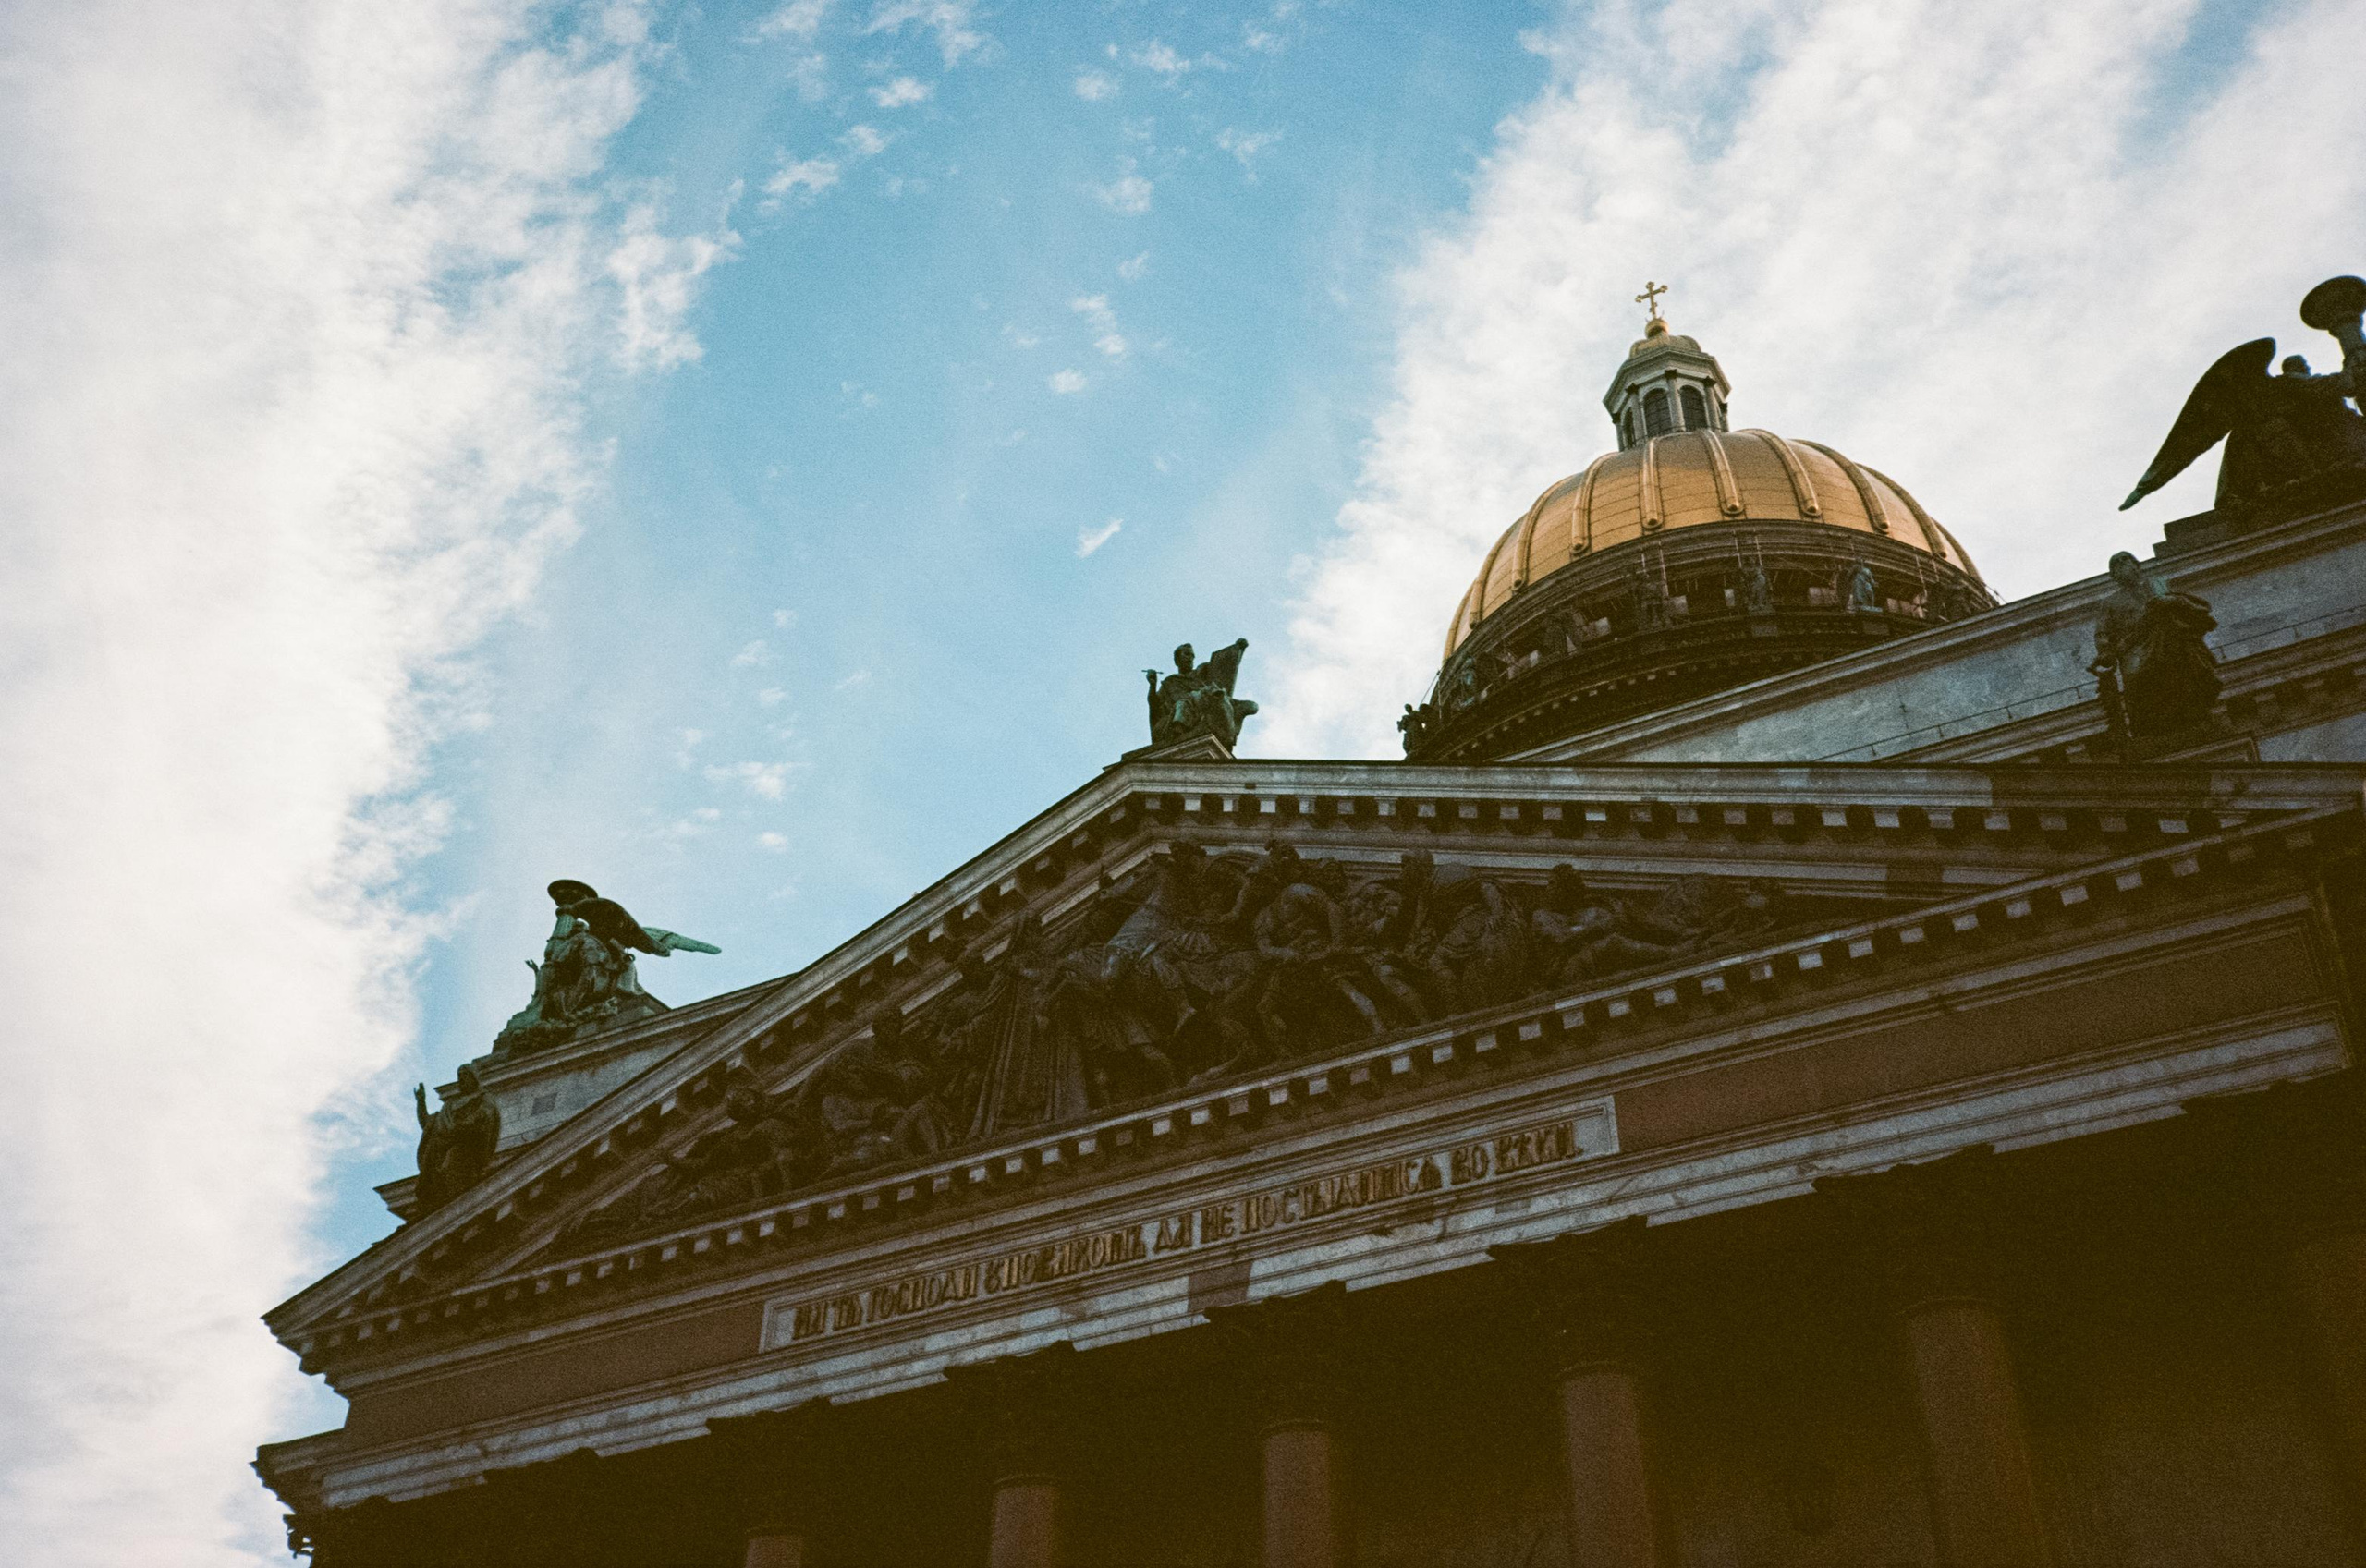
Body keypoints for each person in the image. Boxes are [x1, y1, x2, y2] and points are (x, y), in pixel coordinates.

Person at [2091, 551, 2220, 738]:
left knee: (2181, 654)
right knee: (2137, 679)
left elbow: (2186, 607)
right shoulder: (2109, 603)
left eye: (2126, 560)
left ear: (2137, 565)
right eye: (2116, 564)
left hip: (2166, 639)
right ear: (2113, 576)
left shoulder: (2158, 585)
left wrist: (2171, 600)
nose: (2122, 564)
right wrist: (2105, 652)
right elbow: (2102, 633)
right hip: (2133, 649)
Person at [414, 1064, 501, 1213]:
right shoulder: (450, 1104)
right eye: (459, 1077)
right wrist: (421, 1102)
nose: (461, 1080)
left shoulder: (483, 1098)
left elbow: (485, 1117)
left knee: (450, 1166)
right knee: (436, 1176)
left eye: (465, 1076)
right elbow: (429, 1125)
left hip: (463, 1146)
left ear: (474, 1078)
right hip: (440, 1149)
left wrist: (463, 1126)